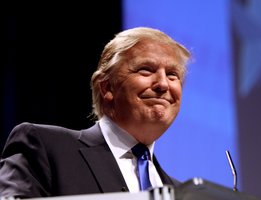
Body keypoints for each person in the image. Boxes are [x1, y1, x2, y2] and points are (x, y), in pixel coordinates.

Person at [0, 27, 191, 198]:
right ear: (107, 87)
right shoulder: (45, 148)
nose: (163, 84)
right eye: (146, 70)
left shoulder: (182, 193)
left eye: (172, 75)